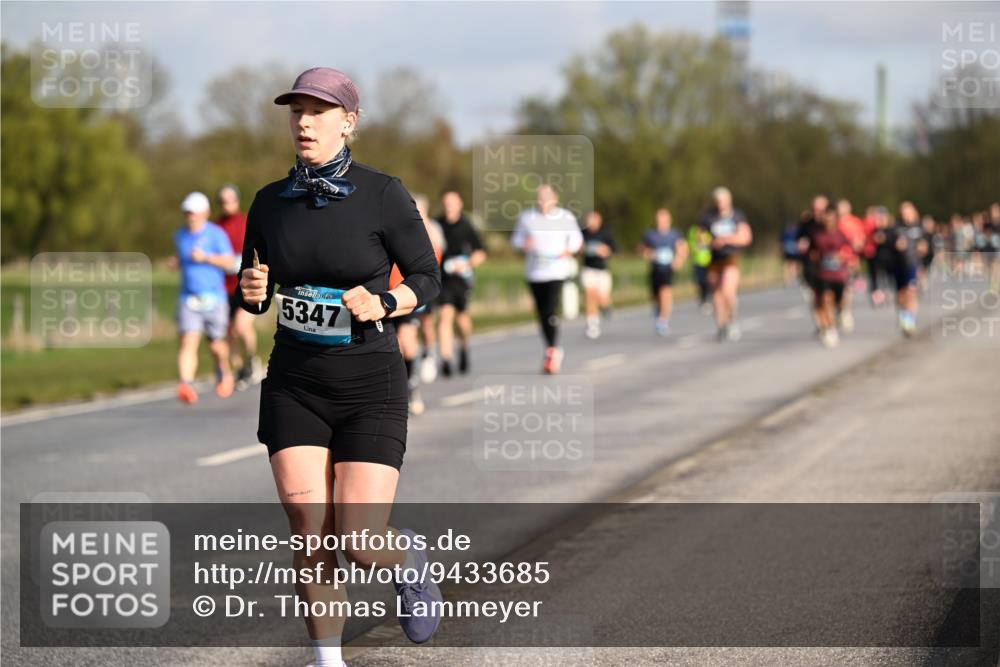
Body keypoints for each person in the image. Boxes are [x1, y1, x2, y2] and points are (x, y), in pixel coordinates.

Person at [237, 67, 443, 667]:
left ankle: (405, 559)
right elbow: (255, 289)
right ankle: (329, 661)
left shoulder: (383, 193)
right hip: (295, 383)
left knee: (358, 540)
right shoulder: (269, 202)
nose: (304, 121)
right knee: (309, 528)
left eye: (319, 111)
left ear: (348, 121)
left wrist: (384, 300)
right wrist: (250, 290)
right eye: (296, 110)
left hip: (368, 383)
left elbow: (431, 277)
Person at [511, 184, 583, 374]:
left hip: (556, 271)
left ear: (555, 199)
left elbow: (576, 240)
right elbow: (516, 240)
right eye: (540, 197)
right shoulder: (527, 218)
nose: (543, 201)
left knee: (551, 310)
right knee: (542, 313)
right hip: (535, 272)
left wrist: (568, 251)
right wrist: (524, 244)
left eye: (547, 197)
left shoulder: (565, 217)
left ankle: (552, 350)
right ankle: (551, 347)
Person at [173, 191, 236, 404]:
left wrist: (206, 258)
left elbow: (229, 263)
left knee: (216, 345)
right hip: (188, 297)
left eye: (193, 212)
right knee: (188, 341)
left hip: (214, 298)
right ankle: (186, 384)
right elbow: (184, 261)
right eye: (186, 212)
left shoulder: (216, 234)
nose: (189, 216)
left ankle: (223, 370)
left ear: (204, 213)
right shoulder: (180, 236)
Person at [390, 194, 444, 415]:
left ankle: (411, 387)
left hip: (410, 295)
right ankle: (396, 388)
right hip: (384, 293)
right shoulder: (390, 225)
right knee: (392, 346)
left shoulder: (427, 234)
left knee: (407, 340)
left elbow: (433, 262)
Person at [216, 184, 264, 390]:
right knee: (229, 332)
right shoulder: (216, 227)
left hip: (245, 286)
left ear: (236, 200)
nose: (226, 205)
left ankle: (252, 360)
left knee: (241, 326)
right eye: (222, 201)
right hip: (223, 288)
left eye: (229, 200)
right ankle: (238, 370)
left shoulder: (246, 222)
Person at [436, 191, 486, 377]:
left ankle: (464, 347)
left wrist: (466, 264)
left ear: (459, 205)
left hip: (463, 279)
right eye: (445, 203)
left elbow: (480, 252)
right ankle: (446, 358)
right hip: (443, 278)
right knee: (445, 315)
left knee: (462, 319)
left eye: (452, 203)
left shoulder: (467, 226)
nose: (448, 206)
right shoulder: (437, 225)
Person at [699, 187, 752, 341]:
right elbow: (701, 239)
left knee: (728, 291)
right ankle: (721, 325)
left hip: (731, 257)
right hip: (714, 259)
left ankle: (732, 319)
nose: (720, 204)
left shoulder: (737, 216)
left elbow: (746, 237)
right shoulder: (708, 218)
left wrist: (727, 240)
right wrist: (709, 242)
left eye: (722, 201)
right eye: (717, 201)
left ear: (729, 201)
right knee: (716, 294)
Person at [807, 205, 852, 348]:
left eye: (831, 219)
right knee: (826, 300)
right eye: (826, 219)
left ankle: (842, 313)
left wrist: (843, 257)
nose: (828, 221)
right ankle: (831, 330)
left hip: (839, 275)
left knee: (839, 303)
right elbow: (811, 252)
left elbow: (849, 250)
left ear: (835, 219)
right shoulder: (816, 235)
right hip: (823, 274)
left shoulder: (841, 234)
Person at [641, 208, 688, 337]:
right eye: (658, 219)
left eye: (663, 219)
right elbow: (643, 250)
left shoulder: (675, 234)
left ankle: (663, 321)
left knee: (665, 293)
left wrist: (678, 260)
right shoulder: (650, 234)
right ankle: (659, 311)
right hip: (655, 269)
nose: (660, 221)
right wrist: (649, 255)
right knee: (655, 296)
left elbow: (683, 248)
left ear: (669, 220)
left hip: (668, 269)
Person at [887, 201, 923, 335]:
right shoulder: (895, 227)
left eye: (908, 212)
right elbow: (888, 244)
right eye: (903, 212)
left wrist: (924, 248)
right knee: (901, 294)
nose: (906, 215)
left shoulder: (919, 227)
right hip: (898, 264)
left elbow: (927, 243)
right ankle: (903, 314)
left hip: (913, 264)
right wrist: (895, 244)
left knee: (911, 291)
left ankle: (910, 319)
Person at [579, 210, 616, 339]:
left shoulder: (606, 233)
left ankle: (606, 307)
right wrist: (583, 249)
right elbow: (576, 248)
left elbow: (613, 250)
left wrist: (605, 251)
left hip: (602, 270)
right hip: (588, 269)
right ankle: (592, 324)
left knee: (602, 298)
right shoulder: (583, 233)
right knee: (590, 294)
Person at [835, 199, 865, 333]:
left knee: (847, 288)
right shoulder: (834, 222)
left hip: (850, 259)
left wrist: (857, 246)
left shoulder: (855, 222)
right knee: (837, 288)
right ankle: (841, 309)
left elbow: (861, 239)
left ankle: (845, 311)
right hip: (836, 260)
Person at [687, 221, 713, 315]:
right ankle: (703, 299)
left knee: (708, 281)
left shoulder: (710, 232)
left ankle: (707, 300)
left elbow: (713, 244)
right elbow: (690, 244)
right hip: (697, 261)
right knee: (699, 281)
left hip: (709, 261)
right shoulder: (693, 232)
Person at [780, 219, 802, 287]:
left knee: (790, 265)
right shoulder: (792, 232)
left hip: (792, 251)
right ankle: (789, 279)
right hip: (791, 251)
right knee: (790, 265)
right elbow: (782, 242)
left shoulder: (786, 232)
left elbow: (781, 242)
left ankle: (790, 279)